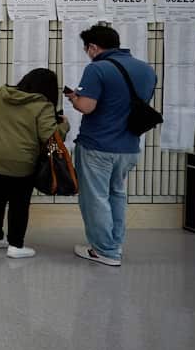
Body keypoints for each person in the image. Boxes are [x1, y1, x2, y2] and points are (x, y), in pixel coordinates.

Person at [65, 24, 158, 267]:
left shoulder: (97, 69)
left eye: (87, 49)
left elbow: (87, 107)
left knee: (95, 198)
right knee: (116, 194)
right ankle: (114, 245)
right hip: (128, 147)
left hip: (97, 145)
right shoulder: (146, 70)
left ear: (93, 47)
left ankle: (103, 250)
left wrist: (75, 98)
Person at [0, 68, 70, 259]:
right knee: (19, 204)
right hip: (19, 164)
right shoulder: (42, 106)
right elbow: (51, 137)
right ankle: (15, 245)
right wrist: (64, 124)